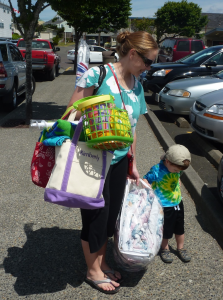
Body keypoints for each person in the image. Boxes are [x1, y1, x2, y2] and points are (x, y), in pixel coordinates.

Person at [67, 31, 158, 294]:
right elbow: (72, 110)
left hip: (119, 160)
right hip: (93, 158)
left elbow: (133, 128)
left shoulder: (137, 85)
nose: (149, 67)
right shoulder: (98, 75)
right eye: (148, 61)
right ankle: (92, 271)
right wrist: (95, 112)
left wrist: (133, 161)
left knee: (112, 216)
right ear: (132, 54)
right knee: (96, 215)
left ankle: (102, 262)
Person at [143, 144, 191, 264]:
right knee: (165, 228)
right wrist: (147, 187)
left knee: (180, 227)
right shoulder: (157, 170)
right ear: (168, 161)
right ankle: (165, 248)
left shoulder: (175, 167)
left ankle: (181, 247)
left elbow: (177, 174)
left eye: (179, 171)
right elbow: (145, 179)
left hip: (177, 202)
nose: (177, 172)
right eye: (176, 170)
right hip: (163, 205)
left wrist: (177, 177)